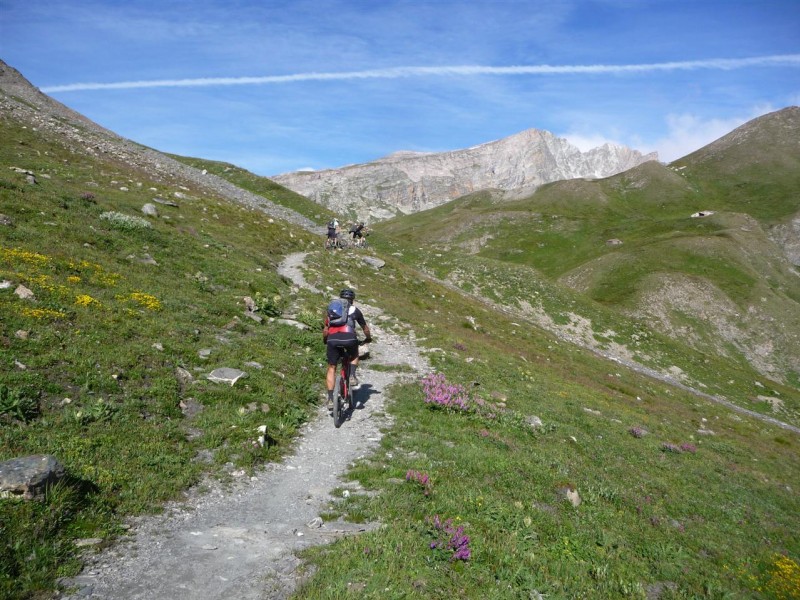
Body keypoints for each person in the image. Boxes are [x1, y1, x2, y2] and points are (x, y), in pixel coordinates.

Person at [322, 288, 371, 410]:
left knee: (331, 368)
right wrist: (368, 338)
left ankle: (330, 399)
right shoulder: (355, 310)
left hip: (332, 339)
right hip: (349, 338)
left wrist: (325, 340)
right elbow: (365, 328)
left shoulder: (332, 310)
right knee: (354, 355)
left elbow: (325, 329)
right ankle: (352, 376)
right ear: (352, 300)